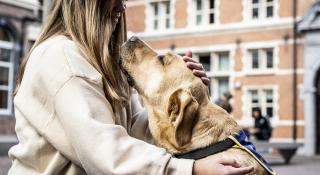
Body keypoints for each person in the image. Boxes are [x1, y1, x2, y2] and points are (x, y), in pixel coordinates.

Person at [8, 0, 253, 175]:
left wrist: (181, 96)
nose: (123, 6)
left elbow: (136, 129)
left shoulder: (102, 62)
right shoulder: (61, 57)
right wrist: (190, 169)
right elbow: (104, 152)